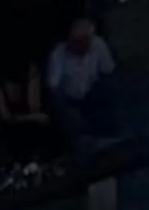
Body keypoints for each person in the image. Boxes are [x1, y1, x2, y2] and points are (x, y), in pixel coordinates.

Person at [45, 15, 121, 156]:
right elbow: (54, 89)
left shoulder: (98, 45)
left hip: (92, 96)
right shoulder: (58, 54)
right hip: (69, 101)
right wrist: (66, 110)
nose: (79, 45)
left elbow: (109, 73)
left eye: (84, 41)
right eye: (76, 41)